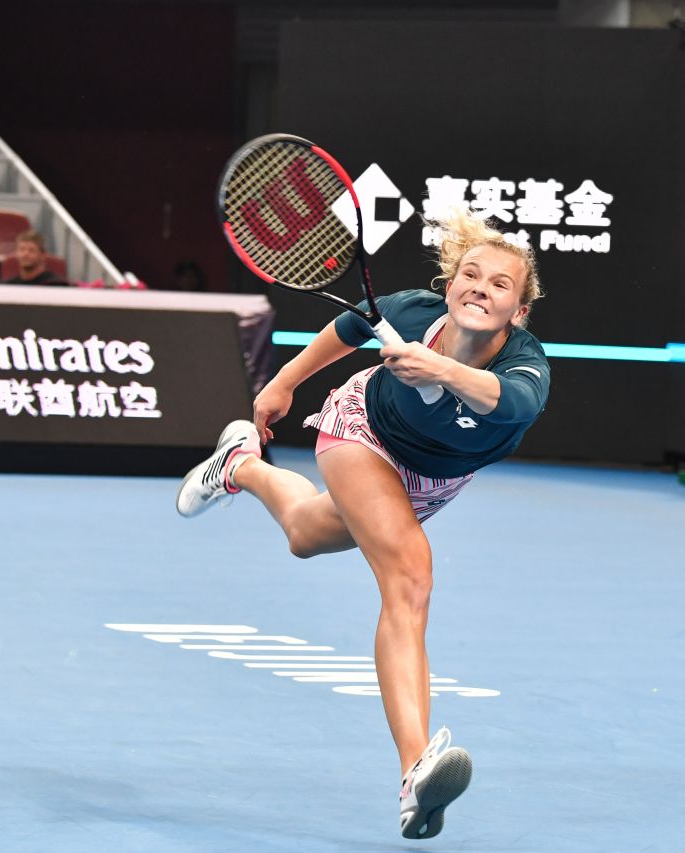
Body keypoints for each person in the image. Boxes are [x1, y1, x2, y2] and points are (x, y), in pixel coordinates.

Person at [175, 209, 550, 839]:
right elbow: (348, 327)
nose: (480, 287)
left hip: (431, 480)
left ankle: (237, 466)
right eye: (470, 275)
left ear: (518, 311)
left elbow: (506, 402)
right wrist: (283, 382)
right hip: (363, 431)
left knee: (304, 534)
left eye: (501, 284)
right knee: (409, 577)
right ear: (450, 285)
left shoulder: (525, 366)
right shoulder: (408, 313)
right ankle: (416, 771)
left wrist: (441, 371)